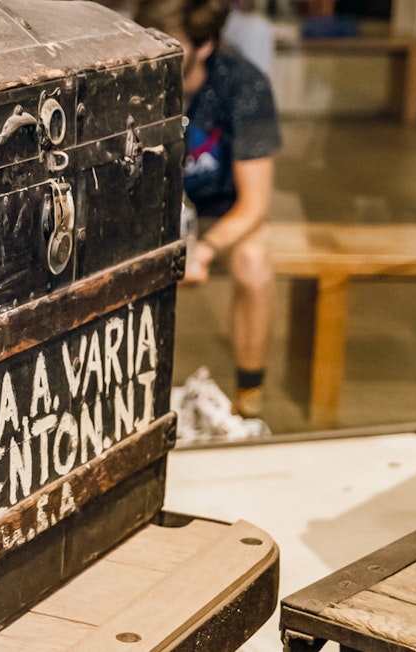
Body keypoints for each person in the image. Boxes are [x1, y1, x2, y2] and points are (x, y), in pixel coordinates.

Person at [134, 0, 282, 418]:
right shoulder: (136, 82)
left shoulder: (243, 85)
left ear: (204, 47)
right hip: (153, 205)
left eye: (170, 47)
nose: (155, 57)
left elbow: (254, 205)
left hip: (223, 208)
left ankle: (249, 399)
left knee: (254, 261)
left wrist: (203, 249)